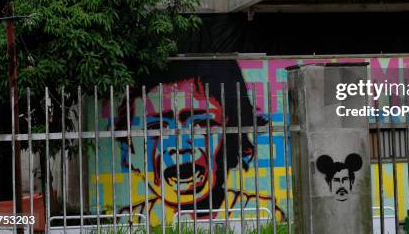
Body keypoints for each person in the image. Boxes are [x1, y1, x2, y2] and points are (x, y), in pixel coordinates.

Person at [115, 60, 285, 226]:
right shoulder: (132, 221)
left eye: (201, 124)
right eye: (157, 129)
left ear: (231, 139)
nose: (179, 147)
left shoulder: (260, 214)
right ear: (128, 151)